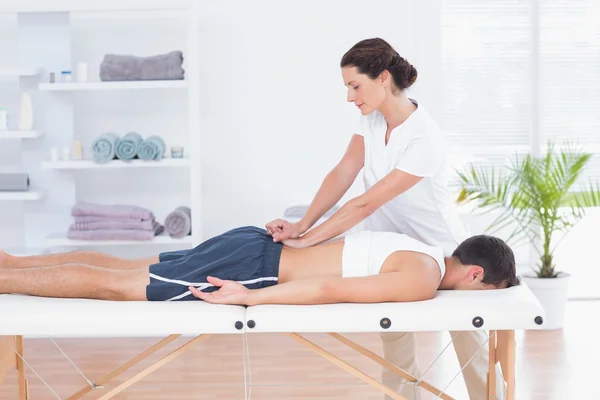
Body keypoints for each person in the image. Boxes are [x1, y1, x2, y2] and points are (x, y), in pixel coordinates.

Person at [264, 38, 507, 399]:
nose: (349, 97)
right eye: (347, 87)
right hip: (389, 251)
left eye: (354, 85)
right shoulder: (371, 121)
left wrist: (307, 239)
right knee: (395, 342)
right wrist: (302, 225)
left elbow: (365, 204)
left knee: (470, 345)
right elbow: (344, 172)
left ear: (383, 78)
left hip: (441, 250)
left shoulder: (424, 137)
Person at [0, 226, 517, 304]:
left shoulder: (418, 244)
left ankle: (12, 262)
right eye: (485, 294)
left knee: (125, 263)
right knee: (118, 286)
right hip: (256, 265)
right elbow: (326, 291)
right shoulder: (423, 280)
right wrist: (248, 296)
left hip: (254, 241)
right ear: (476, 275)